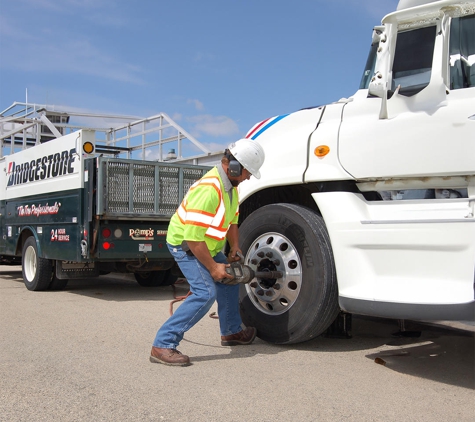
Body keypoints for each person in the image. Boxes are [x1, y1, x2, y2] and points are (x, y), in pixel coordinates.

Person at [150, 138, 266, 366]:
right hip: (186, 245)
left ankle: (231, 332)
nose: (249, 177)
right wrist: (213, 268)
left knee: (230, 278)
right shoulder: (209, 189)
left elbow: (232, 221)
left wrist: (234, 248)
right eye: (248, 172)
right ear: (234, 167)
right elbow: (193, 239)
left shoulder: (231, 189)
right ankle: (162, 344)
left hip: (207, 246)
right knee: (205, 293)